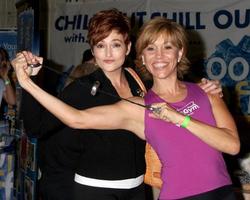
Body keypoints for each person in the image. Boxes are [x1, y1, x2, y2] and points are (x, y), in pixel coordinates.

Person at [13, 15, 227, 200]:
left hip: (137, 189)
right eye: (100, 45)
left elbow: (170, 96)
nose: (108, 53)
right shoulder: (83, 88)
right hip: (96, 189)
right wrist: (28, 83)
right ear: (93, 50)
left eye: (115, 44)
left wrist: (206, 88)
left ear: (128, 47)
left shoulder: (138, 81)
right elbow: (37, 127)